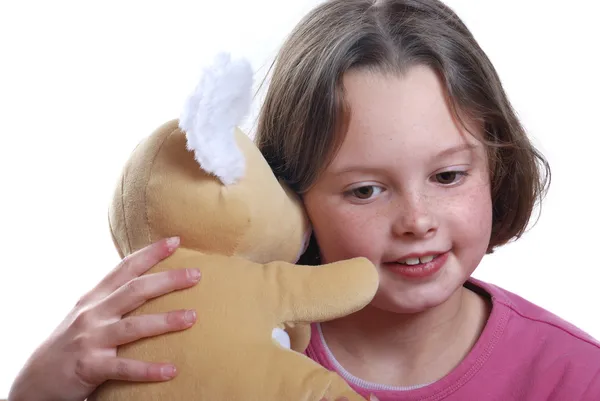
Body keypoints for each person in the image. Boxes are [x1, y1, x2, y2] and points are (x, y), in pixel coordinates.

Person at [8, 0, 600, 400]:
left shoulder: (574, 376)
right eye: (365, 190)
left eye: (448, 176)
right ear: (293, 194)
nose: (417, 221)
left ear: (495, 165)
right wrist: (36, 390)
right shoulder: (210, 352)